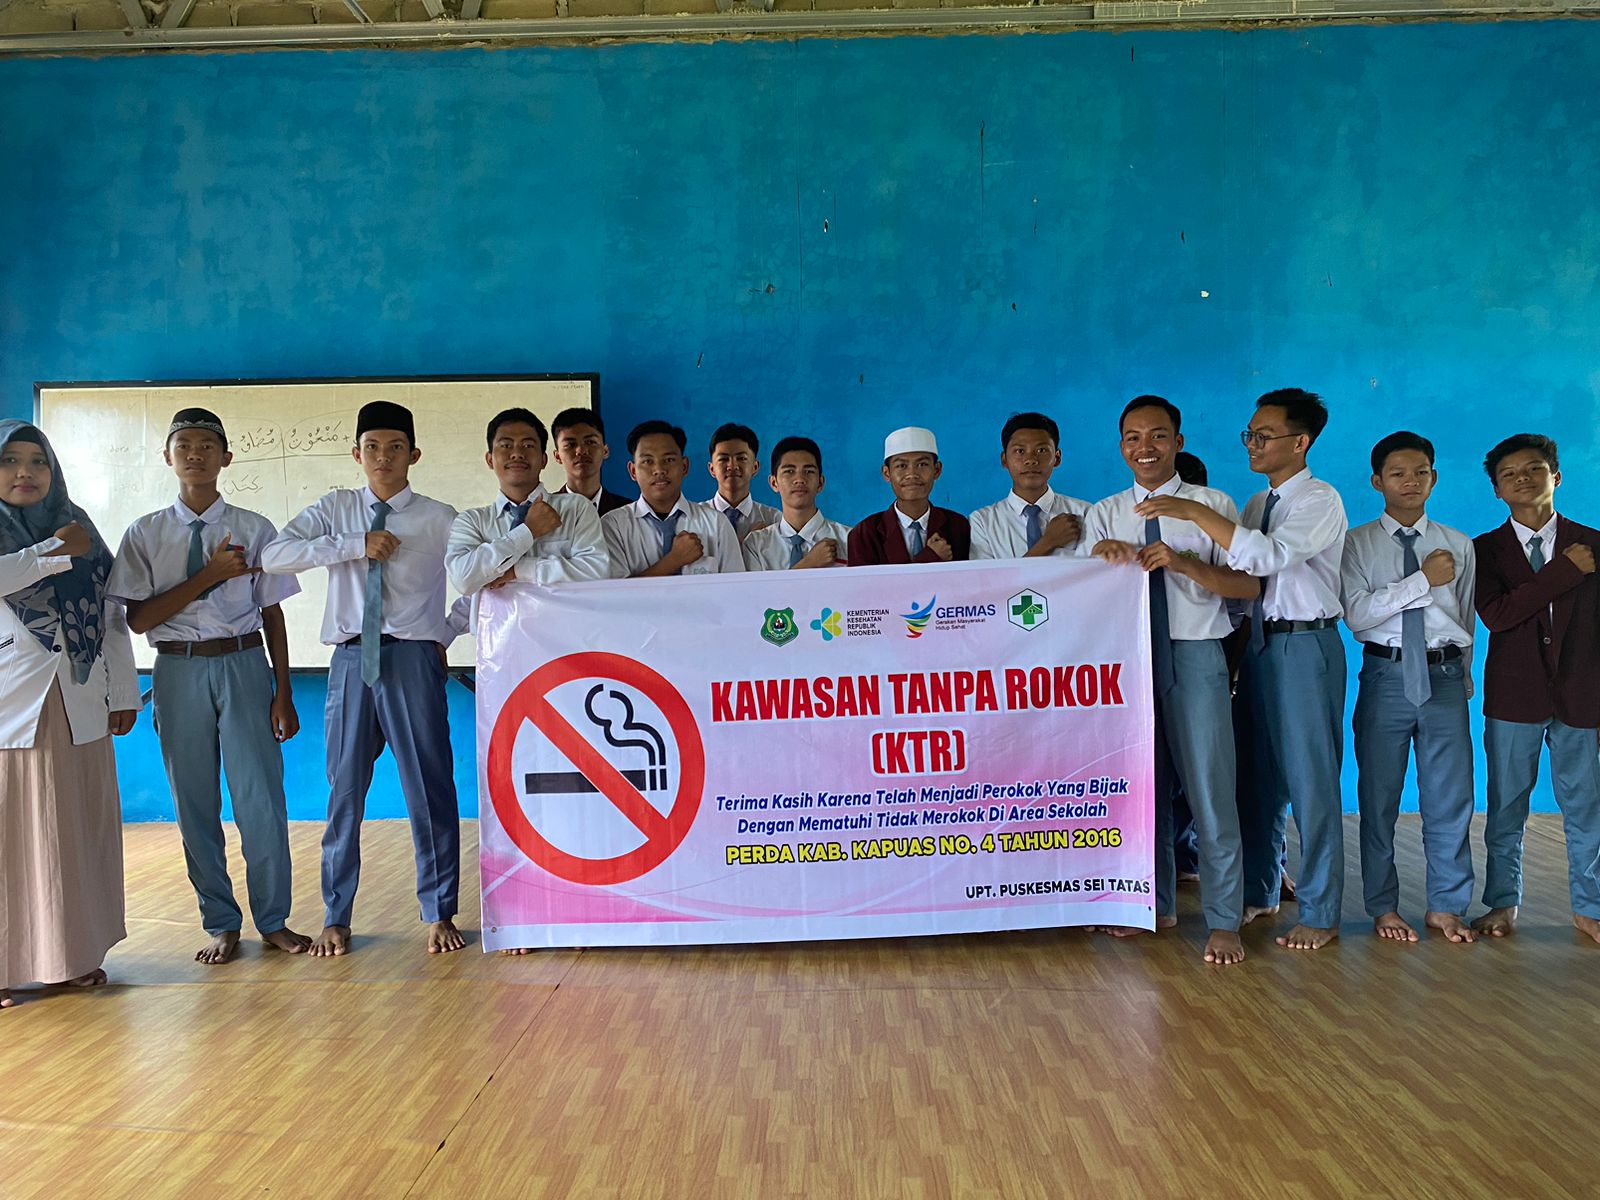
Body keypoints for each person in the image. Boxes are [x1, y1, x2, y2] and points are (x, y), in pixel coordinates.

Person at [1137, 388, 1348, 951]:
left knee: (1310, 779)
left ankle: (1321, 910)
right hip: (1256, 644)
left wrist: (1193, 511)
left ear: (1300, 442)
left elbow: (1266, 559)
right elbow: (1241, 587)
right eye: (1249, 435)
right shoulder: (1257, 504)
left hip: (1305, 643)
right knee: (1256, 778)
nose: (1252, 444)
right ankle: (1260, 890)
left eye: (1264, 435)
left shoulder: (1320, 500)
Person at [262, 400, 469, 957]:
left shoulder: (440, 517)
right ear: (356, 454)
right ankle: (336, 917)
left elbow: (479, 578)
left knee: (429, 788)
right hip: (351, 661)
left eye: (396, 447)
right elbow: (276, 555)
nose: (384, 457)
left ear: (414, 455)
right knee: (344, 792)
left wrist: (445, 633)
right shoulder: (336, 508)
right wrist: (353, 545)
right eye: (373, 447)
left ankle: (440, 911)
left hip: (412, 660)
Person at [108, 408, 308, 965]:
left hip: (244, 664)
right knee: (194, 801)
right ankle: (220, 922)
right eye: (184, 446)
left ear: (226, 458)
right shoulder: (145, 532)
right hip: (177, 670)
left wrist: (283, 691)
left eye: (206, 446)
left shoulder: (254, 527)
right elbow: (139, 620)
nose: (195, 454)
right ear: (167, 457)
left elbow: (271, 613)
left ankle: (274, 919)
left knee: (261, 799)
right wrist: (210, 576)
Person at [1086, 397, 1257, 965]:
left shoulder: (1212, 505)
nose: (1146, 448)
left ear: (1178, 442)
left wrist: (1185, 564)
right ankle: (1152, 905)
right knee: (1142, 790)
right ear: (1121, 447)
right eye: (1133, 437)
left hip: (1194, 655)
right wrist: (1102, 556)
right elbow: (1083, 589)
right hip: (1128, 663)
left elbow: (1247, 587)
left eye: (1158, 436)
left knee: (1211, 789)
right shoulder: (1105, 513)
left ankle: (1224, 918)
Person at [0, 421, 140, 1010]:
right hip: (10, 707)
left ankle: (72, 957)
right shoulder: (64, 539)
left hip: (78, 698)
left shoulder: (78, 524)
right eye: (10, 461)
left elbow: (109, 612)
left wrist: (124, 691)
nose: (25, 473)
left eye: (39, 461)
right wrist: (53, 552)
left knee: (75, 833)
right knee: (9, 840)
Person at [1341, 431, 1477, 944]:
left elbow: (1465, 617)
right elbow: (1357, 614)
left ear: (1434, 478)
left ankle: (1447, 905)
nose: (1410, 481)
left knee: (1451, 797)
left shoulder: (1458, 543)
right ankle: (1382, 907)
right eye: (1397, 473)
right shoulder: (1356, 543)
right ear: (1377, 481)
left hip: (1443, 677)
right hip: (1386, 676)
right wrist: (1422, 580)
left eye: (1420, 472)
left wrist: (1464, 676)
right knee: (1379, 798)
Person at [1472, 433, 1600, 944]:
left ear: (1556, 476)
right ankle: (1502, 903)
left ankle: (1590, 908)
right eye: (1509, 474)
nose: (1522, 479)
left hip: (1583, 698)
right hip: (1513, 697)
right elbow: (1498, 615)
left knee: (1587, 807)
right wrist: (1565, 571)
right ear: (1497, 491)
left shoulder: (1594, 543)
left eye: (1533, 469)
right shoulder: (1484, 550)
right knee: (1506, 807)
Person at [447, 407, 610, 608]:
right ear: (490, 460)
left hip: (567, 627)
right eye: (506, 445)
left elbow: (597, 572)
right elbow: (463, 580)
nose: (517, 454)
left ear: (544, 460)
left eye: (528, 445)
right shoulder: (472, 522)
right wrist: (528, 531)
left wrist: (518, 570)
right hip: (498, 628)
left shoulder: (576, 508)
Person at [602, 421, 744, 577]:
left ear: (684, 466)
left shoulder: (716, 523)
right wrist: (673, 561)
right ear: (633, 471)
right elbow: (614, 590)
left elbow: (737, 588)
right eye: (648, 461)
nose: (659, 470)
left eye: (668, 460)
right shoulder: (614, 526)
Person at [969, 412, 1089, 559]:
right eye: (1020, 451)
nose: (1031, 460)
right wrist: (1048, 542)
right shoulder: (982, 522)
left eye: (1041, 450)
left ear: (1057, 458)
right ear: (1004, 460)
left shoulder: (1085, 514)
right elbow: (986, 575)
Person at [847, 427, 971, 566]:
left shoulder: (958, 526)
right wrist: (929, 557)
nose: (912, 474)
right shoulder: (864, 534)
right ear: (887, 473)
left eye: (922, 464)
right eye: (902, 466)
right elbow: (867, 581)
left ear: (937, 470)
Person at [742, 437, 851, 571]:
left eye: (809, 471)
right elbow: (756, 586)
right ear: (774, 483)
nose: (799, 479)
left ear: (820, 483)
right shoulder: (755, 545)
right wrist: (808, 563)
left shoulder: (848, 540)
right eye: (789, 471)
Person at [705, 423, 779, 542]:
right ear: (712, 469)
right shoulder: (695, 518)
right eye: (723, 459)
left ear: (755, 467)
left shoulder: (774, 520)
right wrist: (749, 542)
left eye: (741, 458)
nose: (732, 466)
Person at [550, 408, 629, 516]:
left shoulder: (627, 512)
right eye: (570, 445)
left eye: (590, 442)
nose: (581, 451)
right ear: (558, 456)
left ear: (605, 451)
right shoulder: (545, 510)